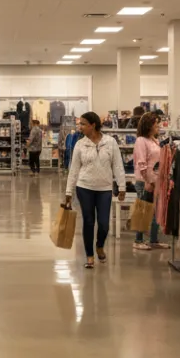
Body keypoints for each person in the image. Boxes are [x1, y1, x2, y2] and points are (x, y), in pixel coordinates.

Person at [64, 111, 127, 269]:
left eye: (83, 124)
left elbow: (118, 165)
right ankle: (90, 256)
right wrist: (68, 192)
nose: (80, 127)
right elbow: (74, 169)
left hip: (104, 188)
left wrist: (122, 186)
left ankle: (99, 245)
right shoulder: (80, 144)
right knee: (89, 221)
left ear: (93, 125)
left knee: (104, 224)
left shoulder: (110, 142)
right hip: (84, 187)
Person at [132, 111, 168, 251]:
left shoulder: (155, 140)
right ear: (149, 125)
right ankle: (138, 240)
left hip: (155, 181)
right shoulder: (141, 141)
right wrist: (148, 181)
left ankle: (153, 239)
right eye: (156, 124)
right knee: (143, 211)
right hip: (145, 181)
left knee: (155, 211)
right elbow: (141, 163)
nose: (158, 126)